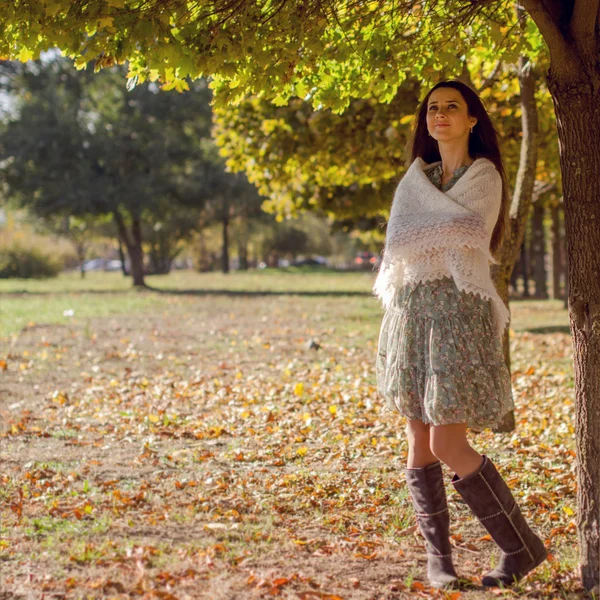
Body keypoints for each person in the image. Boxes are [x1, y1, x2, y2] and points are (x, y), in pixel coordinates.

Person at [373, 80, 548, 590]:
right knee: (418, 437)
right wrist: (430, 228)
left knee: (449, 439)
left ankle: (521, 545)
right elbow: (399, 243)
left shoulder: (485, 176)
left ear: (473, 119)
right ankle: (440, 559)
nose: (441, 115)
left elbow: (466, 233)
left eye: (453, 107)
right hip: (412, 312)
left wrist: (423, 229)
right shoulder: (416, 178)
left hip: (458, 314)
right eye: (433, 108)